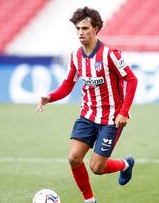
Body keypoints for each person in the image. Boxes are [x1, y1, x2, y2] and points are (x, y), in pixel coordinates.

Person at [36, 7, 138, 203]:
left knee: (97, 168)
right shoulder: (75, 57)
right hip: (87, 115)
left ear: (96, 29)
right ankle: (90, 200)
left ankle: (125, 165)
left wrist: (124, 112)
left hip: (111, 119)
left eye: (85, 28)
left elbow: (131, 80)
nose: (80, 33)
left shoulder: (110, 55)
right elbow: (67, 84)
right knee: (73, 158)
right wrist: (50, 97)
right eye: (77, 29)